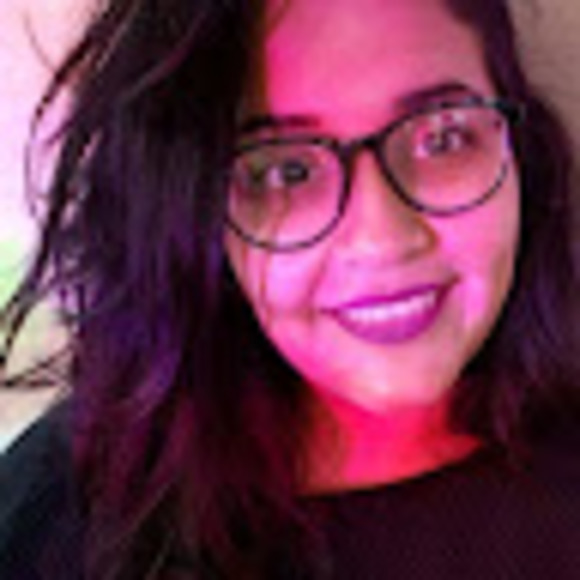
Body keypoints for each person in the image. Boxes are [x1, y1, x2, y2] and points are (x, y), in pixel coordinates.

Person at [1, 0, 579, 578]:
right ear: (192, 210)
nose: (381, 240)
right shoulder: (62, 521)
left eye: (443, 138)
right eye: (284, 172)